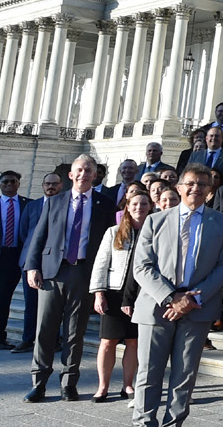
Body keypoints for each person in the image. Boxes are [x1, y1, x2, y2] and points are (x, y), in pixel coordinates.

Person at [130, 164, 223, 427]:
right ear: (178, 188)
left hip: (198, 308)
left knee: (185, 375)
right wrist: (171, 298)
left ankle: (174, 423)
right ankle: (144, 422)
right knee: (148, 373)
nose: (195, 188)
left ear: (209, 190)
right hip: (156, 307)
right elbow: (141, 266)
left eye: (202, 184)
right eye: (190, 183)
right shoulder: (155, 220)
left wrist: (192, 299)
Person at [23, 153, 115, 401]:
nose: (83, 174)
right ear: (71, 175)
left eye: (88, 170)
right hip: (53, 272)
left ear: (95, 176)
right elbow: (39, 236)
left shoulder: (105, 204)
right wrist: (32, 266)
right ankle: (39, 382)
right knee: (45, 330)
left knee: (75, 332)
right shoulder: (55, 201)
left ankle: (68, 383)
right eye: (79, 170)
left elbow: (110, 243)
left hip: (84, 272)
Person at [89, 187, 152, 402]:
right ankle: (102, 386)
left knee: (133, 342)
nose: (139, 207)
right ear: (127, 207)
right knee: (108, 341)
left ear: (150, 207)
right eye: (134, 204)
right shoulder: (113, 232)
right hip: (114, 292)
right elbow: (101, 263)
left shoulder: (154, 233)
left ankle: (128, 385)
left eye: (144, 204)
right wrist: (99, 293)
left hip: (140, 295)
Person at [0, 168, 35, 353]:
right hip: (2, 254)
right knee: (2, 298)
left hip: (20, 255)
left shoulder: (28, 204)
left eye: (13, 181)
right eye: (5, 181)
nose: (9, 184)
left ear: (18, 184)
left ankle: (28, 339)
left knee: (28, 298)